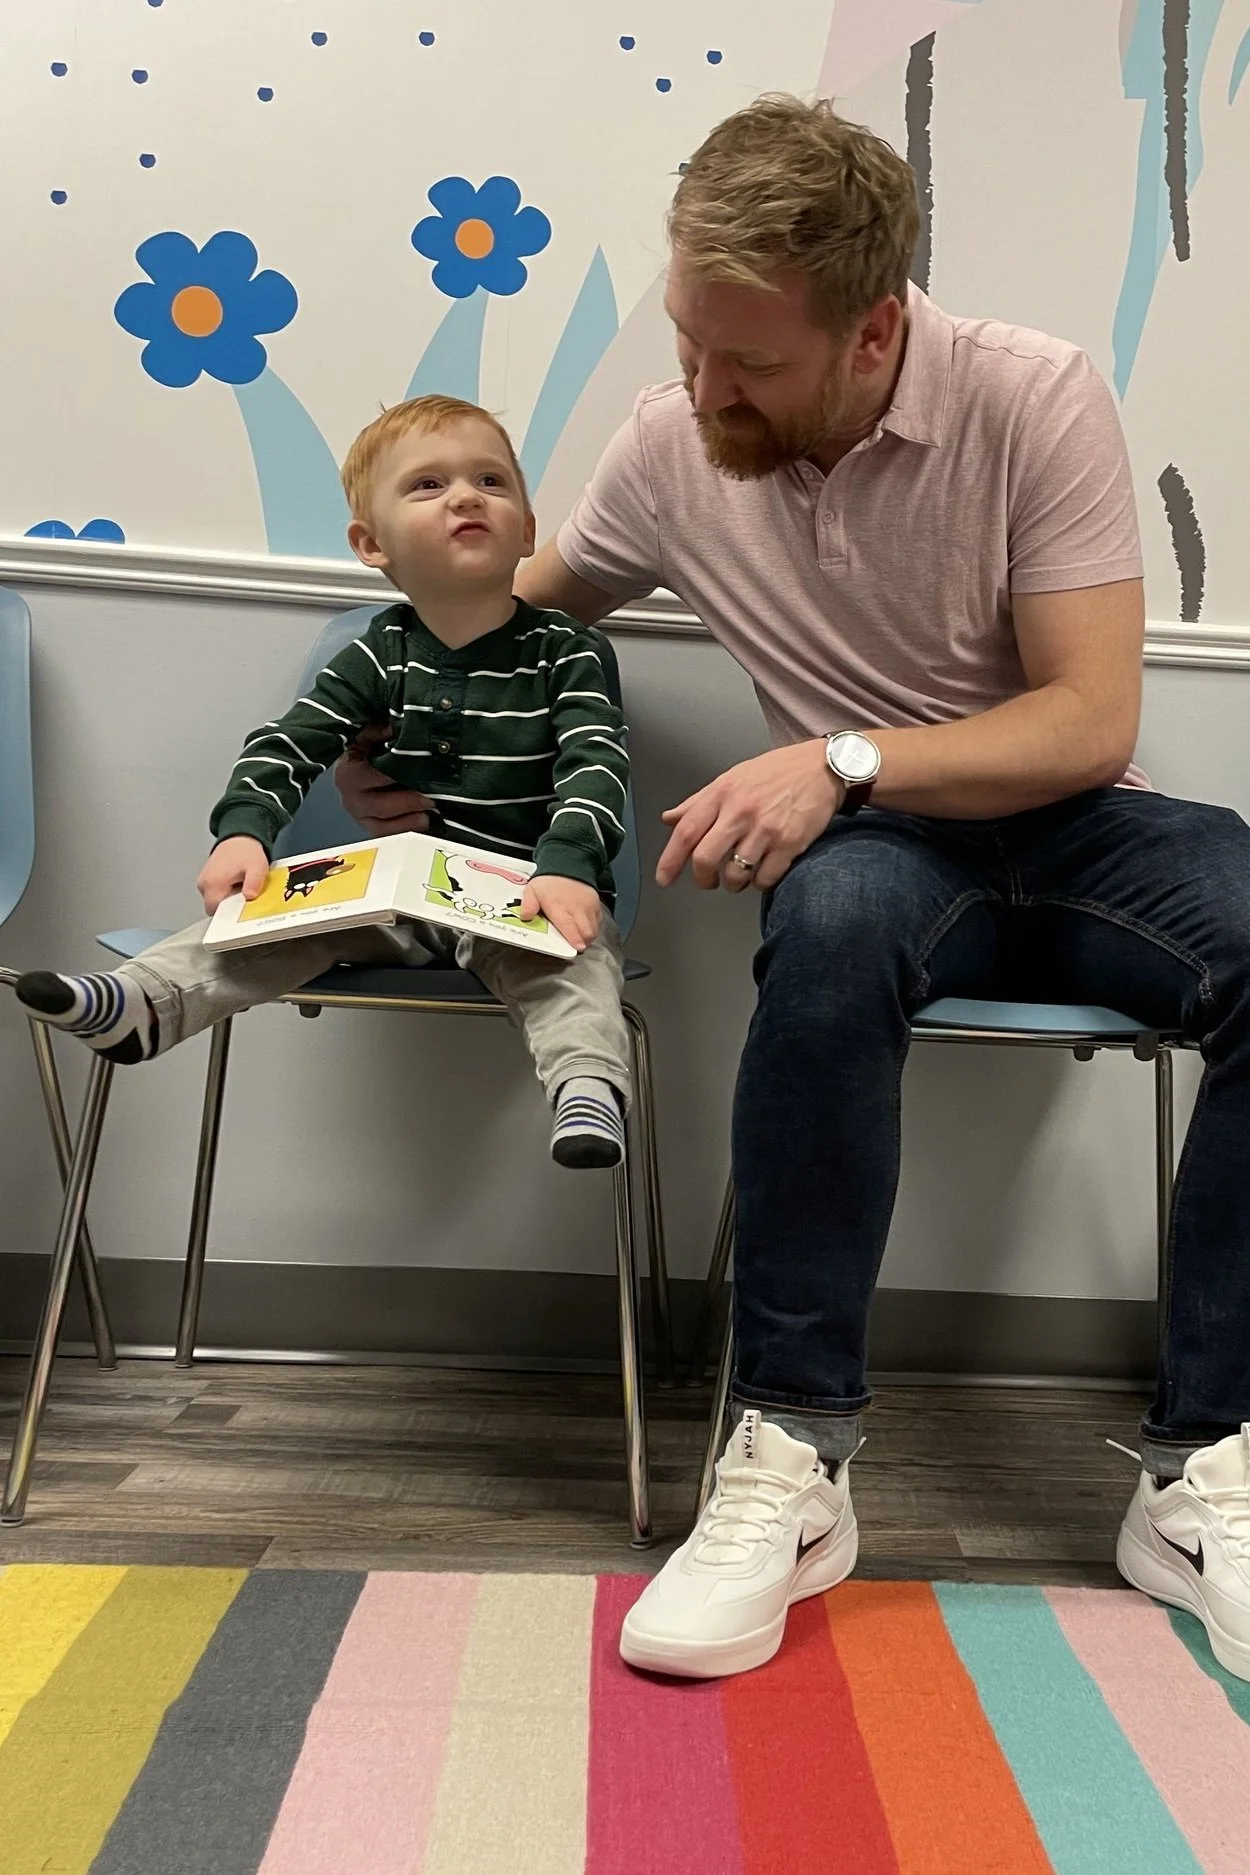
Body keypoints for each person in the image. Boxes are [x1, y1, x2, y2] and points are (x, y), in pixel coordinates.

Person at [340, 97, 1250, 1680]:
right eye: (690, 342)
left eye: (747, 361)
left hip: (1076, 825)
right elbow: (515, 615)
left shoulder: (1031, 397)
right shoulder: (671, 434)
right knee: (824, 923)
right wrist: (421, 731)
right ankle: (791, 1459)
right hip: (883, 862)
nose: (702, 391)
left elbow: (1085, 718)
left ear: (873, 327)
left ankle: (1201, 1473)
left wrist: (833, 758)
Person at [17, 395, 632, 1170]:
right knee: (272, 915)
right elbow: (290, 741)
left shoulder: (565, 652)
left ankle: (585, 1084)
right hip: (399, 891)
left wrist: (569, 867)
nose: (466, 496)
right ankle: (143, 1002)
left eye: (490, 480)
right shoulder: (381, 651)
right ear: (371, 545)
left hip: (529, 891)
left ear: (529, 529)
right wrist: (243, 830)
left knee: (571, 958)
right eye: (427, 485)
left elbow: (594, 764)